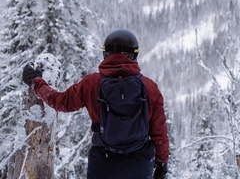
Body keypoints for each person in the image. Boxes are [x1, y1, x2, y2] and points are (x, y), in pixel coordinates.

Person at [22, 29, 170, 179]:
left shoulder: (91, 83)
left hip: (103, 161)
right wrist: (162, 163)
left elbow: (61, 102)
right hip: (139, 162)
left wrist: (36, 82)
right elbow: (159, 132)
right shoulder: (150, 87)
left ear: (106, 53)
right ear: (134, 54)